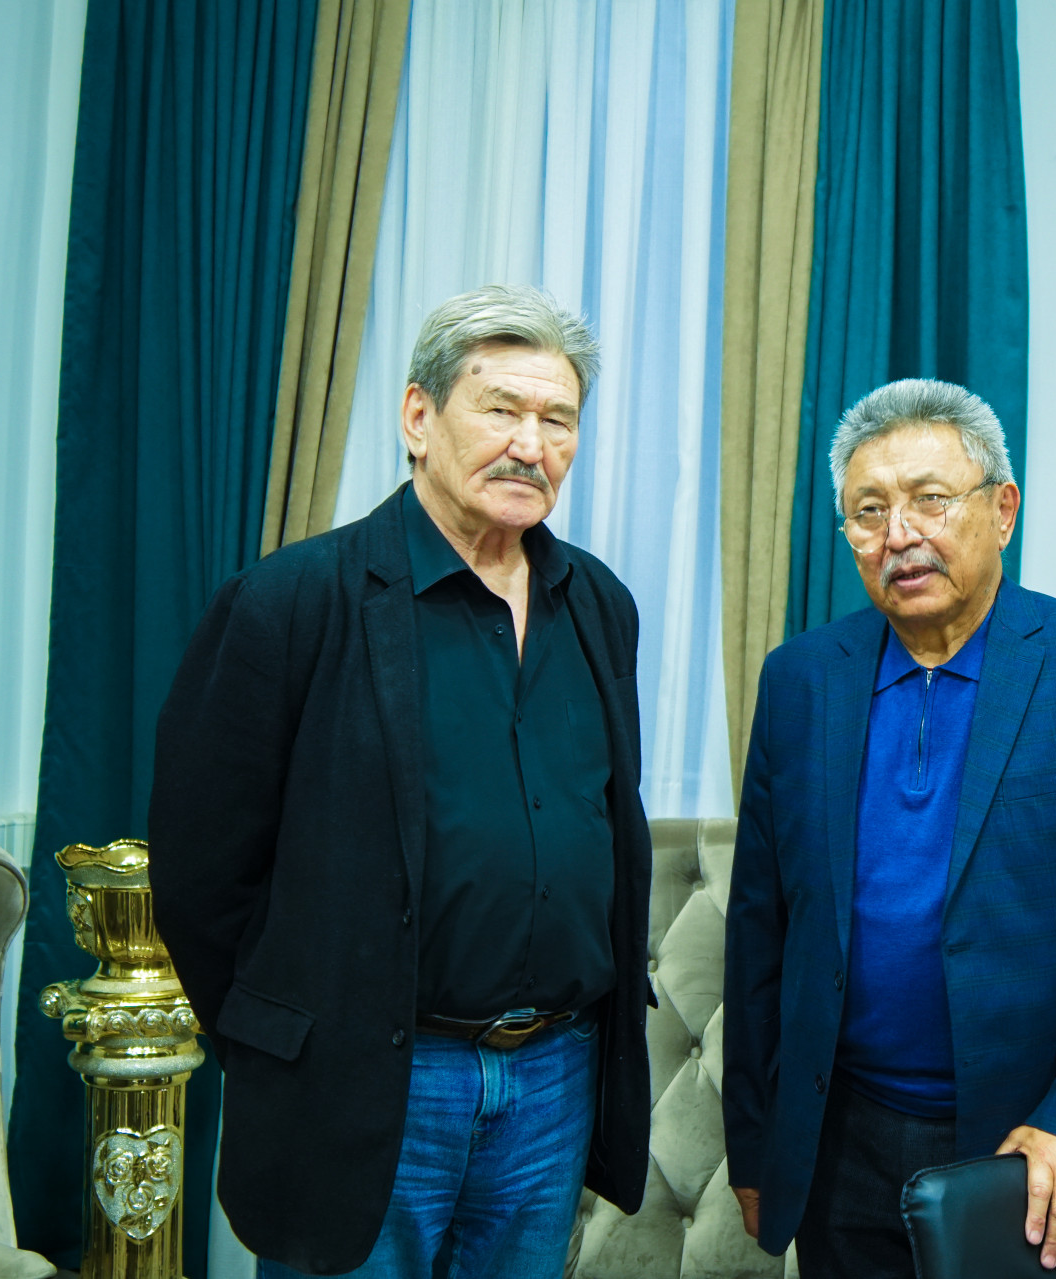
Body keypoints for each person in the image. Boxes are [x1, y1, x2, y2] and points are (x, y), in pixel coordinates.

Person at [149, 284, 652, 1276]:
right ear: (419, 417)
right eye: (501, 408)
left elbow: (608, 822)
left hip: (554, 1083)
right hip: (367, 1084)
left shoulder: (599, 604)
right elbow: (203, 875)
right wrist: (290, 1043)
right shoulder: (288, 602)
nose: (531, 444)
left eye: (557, 419)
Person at [722, 378, 1056, 1276]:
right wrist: (754, 1140)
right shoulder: (800, 681)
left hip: (1029, 1148)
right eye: (869, 511)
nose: (899, 534)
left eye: (930, 500)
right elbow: (760, 929)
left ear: (1002, 510)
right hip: (838, 1144)